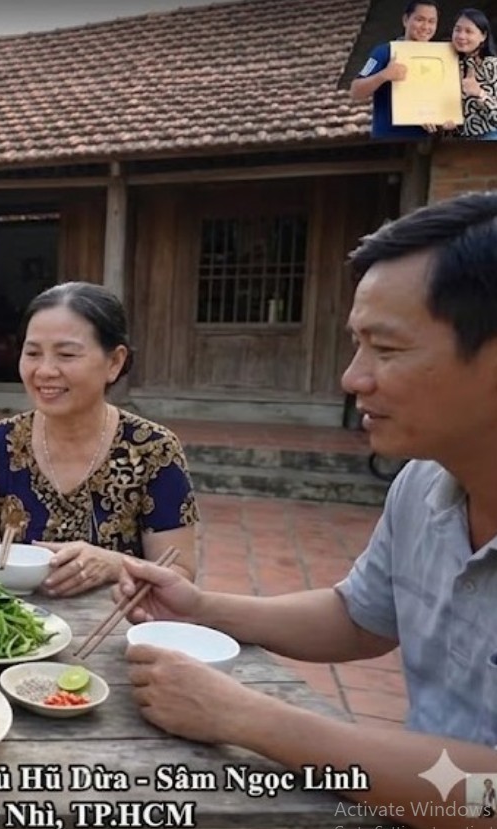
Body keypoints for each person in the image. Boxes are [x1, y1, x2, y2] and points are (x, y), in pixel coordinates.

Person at [118, 192, 497, 826]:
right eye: (358, 345)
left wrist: (248, 718)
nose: (353, 378)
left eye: (387, 349)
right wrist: (202, 608)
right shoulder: (424, 484)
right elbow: (361, 618)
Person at [0, 282, 199, 596]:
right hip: (16, 622)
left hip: (115, 620)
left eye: (67, 354)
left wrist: (114, 565)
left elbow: (180, 574)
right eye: (32, 353)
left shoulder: (153, 449)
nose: (45, 371)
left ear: (114, 362)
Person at [349, 1, 439, 140]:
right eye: (420, 20)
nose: (425, 27)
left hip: (429, 142)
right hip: (389, 140)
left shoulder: (441, 58)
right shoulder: (384, 52)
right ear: (405, 20)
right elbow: (355, 91)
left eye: (431, 22)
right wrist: (384, 75)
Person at [453, 8, 497, 139]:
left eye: (469, 31)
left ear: (483, 36)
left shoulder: (493, 65)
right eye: (457, 30)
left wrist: (480, 93)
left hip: (488, 136)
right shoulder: (452, 64)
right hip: (459, 141)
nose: (461, 36)